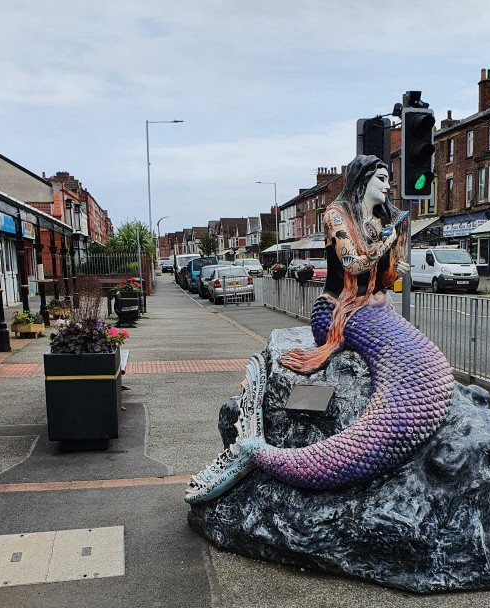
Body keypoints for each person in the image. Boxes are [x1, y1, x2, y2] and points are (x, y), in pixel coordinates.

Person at [186, 155, 455, 503]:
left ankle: (257, 451)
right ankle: (255, 451)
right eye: (382, 179)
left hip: (372, 307)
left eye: (388, 180)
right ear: (362, 181)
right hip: (338, 311)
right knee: (412, 393)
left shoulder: (376, 220)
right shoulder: (335, 216)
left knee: (425, 379)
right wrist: (386, 243)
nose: (388, 186)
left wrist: (395, 260)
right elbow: (353, 263)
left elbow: (381, 277)